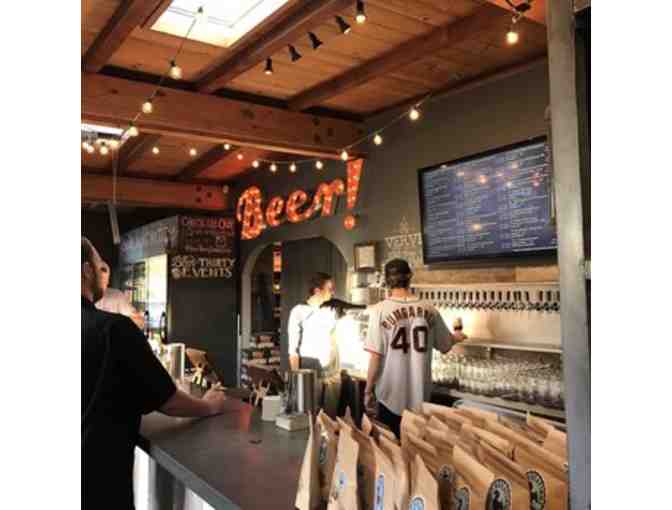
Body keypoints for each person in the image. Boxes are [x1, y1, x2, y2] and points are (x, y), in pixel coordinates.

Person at [82, 237, 229, 510]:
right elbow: (169, 401)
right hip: (96, 486)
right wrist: (209, 405)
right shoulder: (114, 330)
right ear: (86, 270)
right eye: (99, 266)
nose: (103, 274)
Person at [363, 259, 466, 438]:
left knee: (390, 448)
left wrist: (367, 390)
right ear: (410, 276)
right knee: (416, 448)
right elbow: (445, 345)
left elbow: (375, 357)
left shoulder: (379, 311)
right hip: (420, 397)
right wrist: (457, 336)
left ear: (386, 281)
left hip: (389, 397)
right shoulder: (429, 309)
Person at [287, 272, 341, 417]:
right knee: (309, 416)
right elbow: (292, 350)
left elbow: (334, 337)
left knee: (330, 417)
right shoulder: (299, 311)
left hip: (331, 371)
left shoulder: (331, 310)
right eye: (330, 289)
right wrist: (296, 380)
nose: (333, 292)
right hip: (309, 369)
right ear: (317, 291)